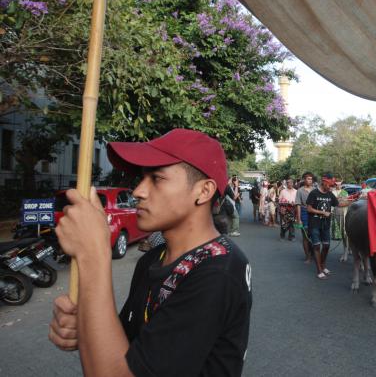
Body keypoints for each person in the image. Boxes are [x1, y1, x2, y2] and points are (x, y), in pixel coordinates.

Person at [48, 128, 252, 376]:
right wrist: (87, 326)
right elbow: (129, 346)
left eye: (156, 178)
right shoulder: (152, 259)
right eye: (141, 179)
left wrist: (93, 254)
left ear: (203, 191)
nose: (138, 192)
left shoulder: (218, 271)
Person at [306, 173, 339, 279]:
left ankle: (323, 265)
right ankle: (319, 270)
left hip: (325, 224)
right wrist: (322, 212)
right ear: (324, 182)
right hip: (314, 223)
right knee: (316, 246)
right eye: (329, 185)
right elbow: (309, 209)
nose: (330, 187)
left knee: (326, 246)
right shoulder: (314, 193)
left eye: (331, 185)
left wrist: (354, 200)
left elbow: (338, 204)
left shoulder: (330, 194)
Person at [295, 172, 315, 263]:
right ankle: (308, 257)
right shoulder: (300, 190)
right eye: (308, 179)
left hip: (314, 213)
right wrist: (299, 219)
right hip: (304, 212)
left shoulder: (315, 190)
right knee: (305, 237)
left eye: (311, 179)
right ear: (304, 180)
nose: (309, 180)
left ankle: (313, 254)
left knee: (314, 235)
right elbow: (298, 205)